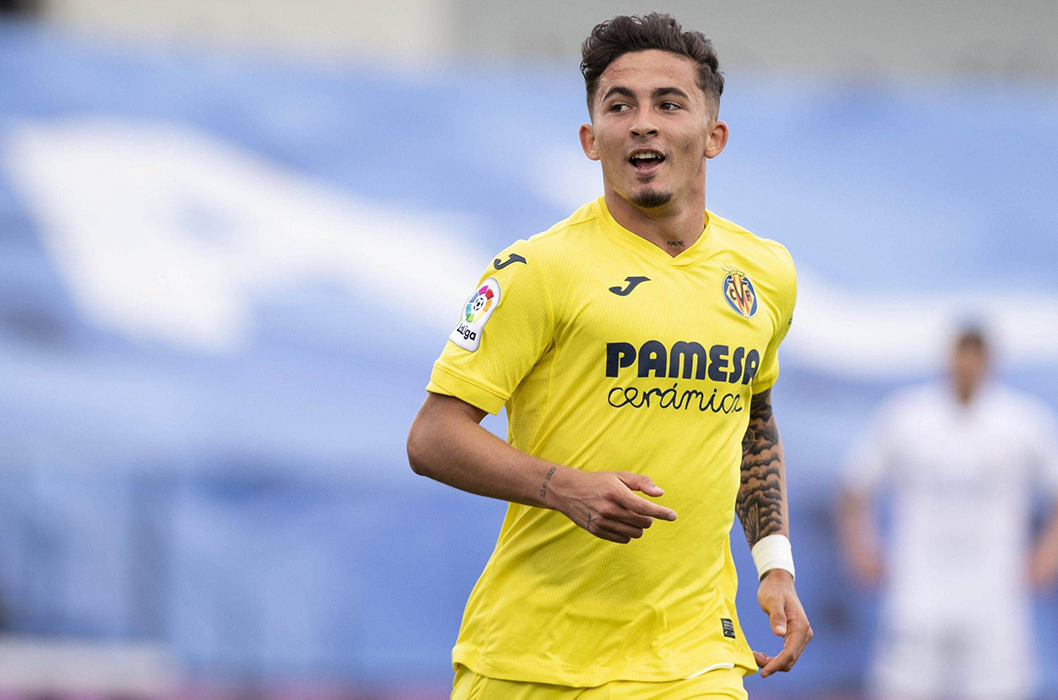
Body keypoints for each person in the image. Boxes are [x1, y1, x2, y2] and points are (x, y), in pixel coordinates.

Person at [407, 13, 812, 700]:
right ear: (592, 139)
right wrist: (562, 487)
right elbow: (432, 437)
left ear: (713, 135)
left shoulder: (766, 273)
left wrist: (775, 564)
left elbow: (753, 417)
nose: (642, 123)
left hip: (694, 662)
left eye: (669, 103)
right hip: (533, 663)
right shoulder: (538, 269)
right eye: (619, 106)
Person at [838, 326, 1058, 700]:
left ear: (988, 361)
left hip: (995, 594)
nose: (967, 366)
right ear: (948, 358)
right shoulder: (907, 417)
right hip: (917, 591)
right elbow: (854, 486)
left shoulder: (1022, 422)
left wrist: (1048, 554)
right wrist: (859, 547)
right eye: (961, 355)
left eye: (975, 357)